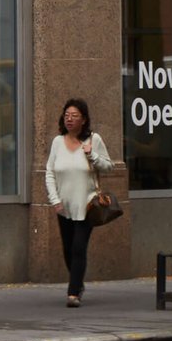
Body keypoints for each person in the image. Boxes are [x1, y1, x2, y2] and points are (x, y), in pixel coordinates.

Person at [43, 98, 119, 307]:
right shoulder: (57, 142)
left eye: (74, 116)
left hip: (87, 205)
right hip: (63, 206)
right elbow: (50, 172)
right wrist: (54, 199)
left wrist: (92, 155)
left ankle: (73, 292)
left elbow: (109, 167)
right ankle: (78, 282)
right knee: (68, 249)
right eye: (67, 115)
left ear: (84, 120)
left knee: (78, 247)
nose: (69, 119)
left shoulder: (94, 140)